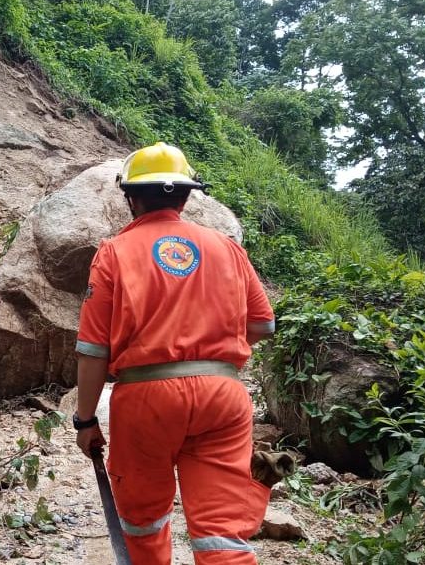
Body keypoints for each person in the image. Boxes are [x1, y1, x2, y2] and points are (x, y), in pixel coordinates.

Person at [73, 142, 276, 565]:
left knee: (143, 522)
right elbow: (262, 325)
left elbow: (93, 351)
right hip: (223, 397)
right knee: (222, 533)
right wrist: (212, 354)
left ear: (131, 198)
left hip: (146, 400)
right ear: (185, 197)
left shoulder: (114, 253)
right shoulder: (226, 248)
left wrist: (85, 420)